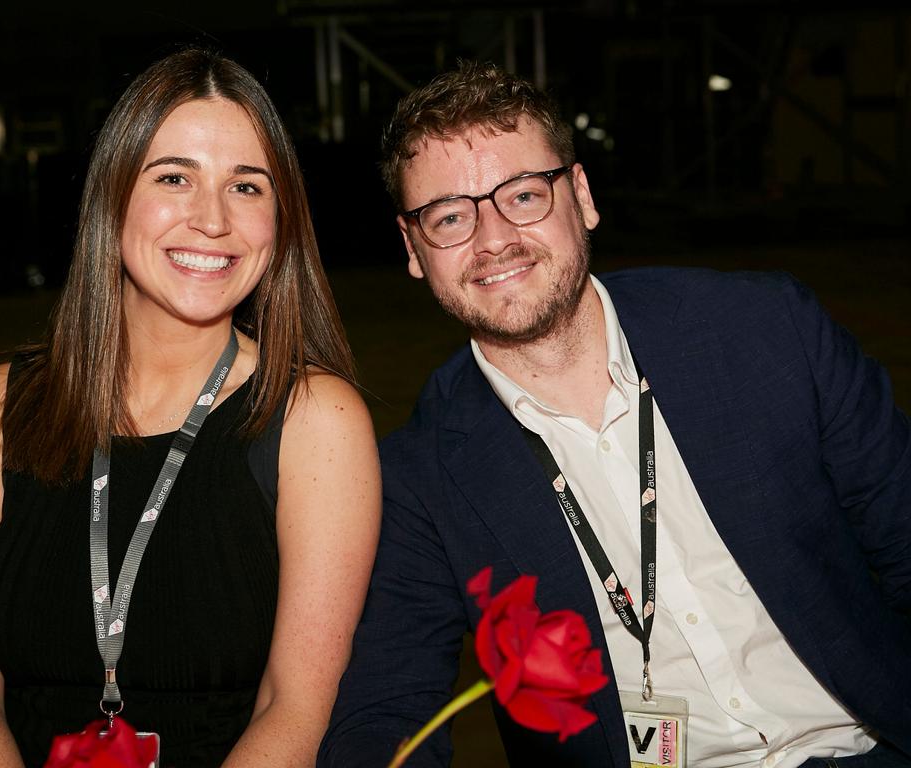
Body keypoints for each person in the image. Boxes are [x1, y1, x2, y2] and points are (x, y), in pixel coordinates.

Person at [319, 61, 911, 768]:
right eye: (449, 216)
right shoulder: (418, 478)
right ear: (413, 251)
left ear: (583, 197)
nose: (493, 237)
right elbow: (388, 708)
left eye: (524, 195)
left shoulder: (766, 331)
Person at [0, 47, 380, 768]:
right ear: (112, 196)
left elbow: (295, 709)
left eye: (247, 187)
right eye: (174, 178)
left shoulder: (319, 424)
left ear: (281, 216)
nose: (213, 220)